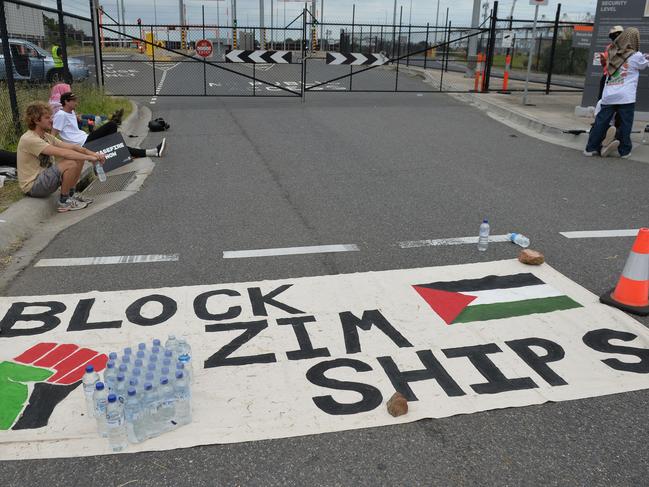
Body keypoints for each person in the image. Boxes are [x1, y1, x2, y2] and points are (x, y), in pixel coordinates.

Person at [17, 101, 106, 212]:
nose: (51, 120)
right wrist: (90, 158)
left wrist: (95, 155)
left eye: (51, 117)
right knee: (71, 162)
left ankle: (71, 195)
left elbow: (73, 147)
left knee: (78, 159)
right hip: (33, 186)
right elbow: (63, 153)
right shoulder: (30, 139)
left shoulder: (46, 136)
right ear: (36, 120)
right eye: (47, 117)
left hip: (45, 179)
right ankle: (64, 202)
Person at [584, 28, 648, 159]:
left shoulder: (612, 51)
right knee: (626, 123)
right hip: (626, 96)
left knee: (601, 122)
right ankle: (624, 151)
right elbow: (643, 65)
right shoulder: (636, 55)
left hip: (609, 94)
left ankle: (591, 148)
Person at [52, 92, 166, 159]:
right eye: (74, 101)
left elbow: (74, 126)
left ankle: (153, 152)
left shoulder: (70, 112)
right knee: (111, 125)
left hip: (85, 137)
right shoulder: (60, 115)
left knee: (116, 145)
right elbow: (53, 135)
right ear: (66, 102)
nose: (76, 103)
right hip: (82, 143)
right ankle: (115, 148)